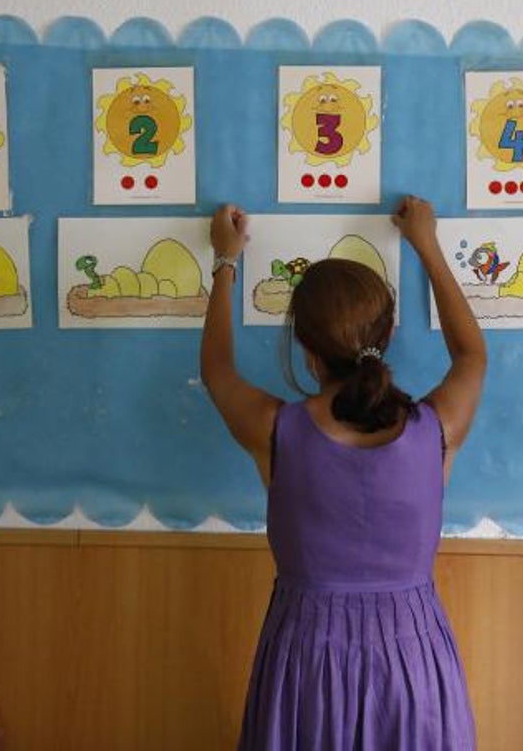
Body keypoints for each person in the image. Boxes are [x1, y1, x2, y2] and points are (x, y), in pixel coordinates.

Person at [200, 196, 486, 750]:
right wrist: (425, 244)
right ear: (385, 337)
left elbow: (216, 371)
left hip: (306, 659)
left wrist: (225, 262)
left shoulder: (275, 431)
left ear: (307, 351)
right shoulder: (435, 431)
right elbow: (471, 355)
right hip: (412, 659)